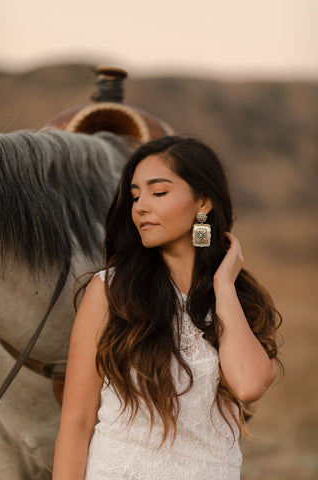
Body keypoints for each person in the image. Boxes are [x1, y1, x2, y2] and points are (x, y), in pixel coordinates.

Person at [52, 136, 282, 480]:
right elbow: (77, 422)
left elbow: (248, 385)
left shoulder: (239, 297)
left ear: (202, 202)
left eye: (158, 193)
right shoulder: (110, 290)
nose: (141, 206)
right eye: (135, 196)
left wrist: (222, 287)